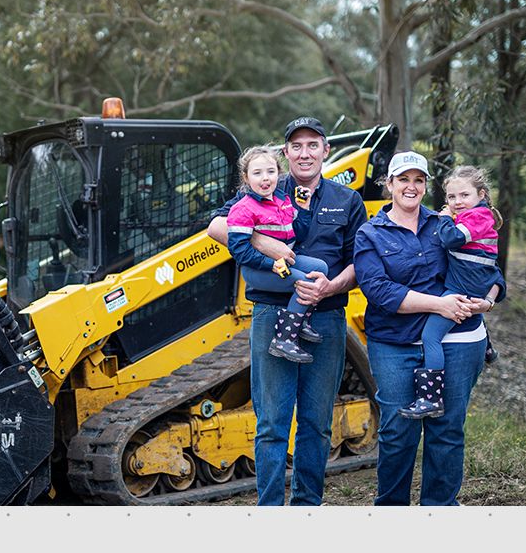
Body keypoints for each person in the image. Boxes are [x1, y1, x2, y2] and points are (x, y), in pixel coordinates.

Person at [207, 116, 367, 506]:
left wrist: (330, 286)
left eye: (313, 144)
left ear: (326, 150)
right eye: (296, 146)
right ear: (286, 153)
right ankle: (270, 511)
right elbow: (215, 226)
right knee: (272, 424)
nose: (305, 153)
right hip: (272, 314)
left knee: (315, 423)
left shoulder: (347, 200)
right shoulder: (265, 188)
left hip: (326, 317)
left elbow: (360, 262)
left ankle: (307, 507)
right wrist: (266, 243)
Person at [353, 151, 504, 506]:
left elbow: (490, 270)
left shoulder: (446, 224)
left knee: (446, 428)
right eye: (402, 179)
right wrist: (439, 304)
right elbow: (378, 290)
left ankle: (439, 510)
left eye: (418, 180)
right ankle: (391, 510)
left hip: (454, 340)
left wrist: (489, 300)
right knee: (398, 430)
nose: (411, 186)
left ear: (425, 186)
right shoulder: (370, 233)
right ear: (389, 185)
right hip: (395, 343)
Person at [400, 165, 504, 419]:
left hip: (461, 290)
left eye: (464, 196)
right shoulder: (475, 215)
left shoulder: (478, 217)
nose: (457, 202)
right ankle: (489, 348)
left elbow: (451, 240)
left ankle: (430, 397)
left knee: (431, 337)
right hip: (470, 284)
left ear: (481, 195)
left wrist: (444, 217)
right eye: (451, 197)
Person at [225, 144, 328, 363]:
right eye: (257, 173)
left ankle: (300, 321)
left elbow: (298, 234)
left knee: (320, 268)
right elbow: (239, 250)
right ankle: (284, 339)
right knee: (303, 282)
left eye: (270, 172)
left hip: (282, 261)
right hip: (259, 268)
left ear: (278, 174)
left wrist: (304, 208)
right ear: (246, 177)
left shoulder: (283, 200)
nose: (265, 178)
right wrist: (270, 264)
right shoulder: (243, 208)